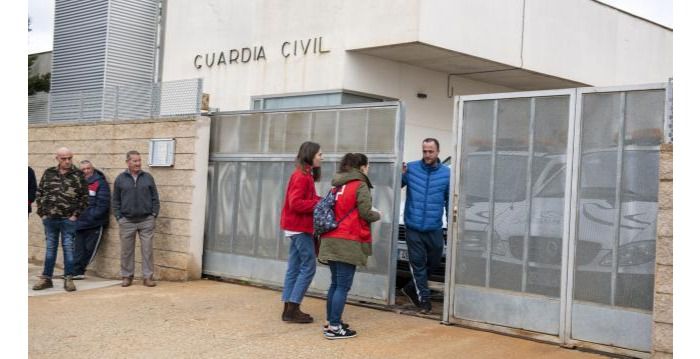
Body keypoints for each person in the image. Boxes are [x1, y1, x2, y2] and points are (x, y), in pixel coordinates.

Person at [318, 153, 381, 339]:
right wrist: (377, 214)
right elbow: (365, 212)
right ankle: (335, 328)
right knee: (342, 286)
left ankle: (331, 322)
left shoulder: (337, 185)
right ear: (362, 167)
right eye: (367, 166)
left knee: (335, 284)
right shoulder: (360, 185)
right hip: (348, 239)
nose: (368, 169)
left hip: (331, 238)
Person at [400, 138, 450, 314]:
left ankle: (411, 288)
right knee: (418, 264)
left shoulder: (447, 173)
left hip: (434, 227)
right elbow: (396, 185)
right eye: (424, 151)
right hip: (413, 227)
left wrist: (452, 225)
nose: (427, 155)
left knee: (435, 260)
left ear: (438, 152)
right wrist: (400, 173)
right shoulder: (411, 168)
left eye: (430, 151)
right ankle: (424, 300)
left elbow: (449, 200)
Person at [33, 147, 88, 292]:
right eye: (64, 158)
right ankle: (46, 279)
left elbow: (84, 198)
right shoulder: (49, 173)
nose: (67, 161)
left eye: (69, 158)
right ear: (57, 158)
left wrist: (75, 215)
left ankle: (68, 278)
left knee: (68, 248)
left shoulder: (78, 175)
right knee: (50, 249)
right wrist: (42, 213)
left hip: (67, 220)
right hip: (50, 219)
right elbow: (39, 193)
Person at [280, 141, 323, 323]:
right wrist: (318, 203)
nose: (322, 157)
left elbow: (306, 199)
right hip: (299, 228)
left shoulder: (305, 174)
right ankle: (293, 307)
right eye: (320, 154)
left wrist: (321, 199)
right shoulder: (301, 176)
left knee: (294, 268)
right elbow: (295, 203)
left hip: (296, 227)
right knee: (309, 267)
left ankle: (288, 309)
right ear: (310, 155)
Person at [113, 150, 160, 288]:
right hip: (126, 221)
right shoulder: (120, 179)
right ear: (127, 162)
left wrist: (154, 214)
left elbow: (155, 198)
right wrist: (119, 216)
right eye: (135, 161)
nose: (138, 163)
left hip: (146, 220)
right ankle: (127, 276)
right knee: (126, 251)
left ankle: (148, 277)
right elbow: (115, 200)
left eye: (139, 160)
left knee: (147, 250)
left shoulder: (148, 177)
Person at [72, 160, 111, 279]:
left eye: (88, 168)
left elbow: (103, 205)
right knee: (77, 249)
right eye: (83, 169)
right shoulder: (77, 183)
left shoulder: (100, 183)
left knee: (90, 250)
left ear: (92, 169)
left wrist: (89, 216)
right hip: (79, 223)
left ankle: (79, 271)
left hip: (94, 224)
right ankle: (76, 271)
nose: (86, 171)